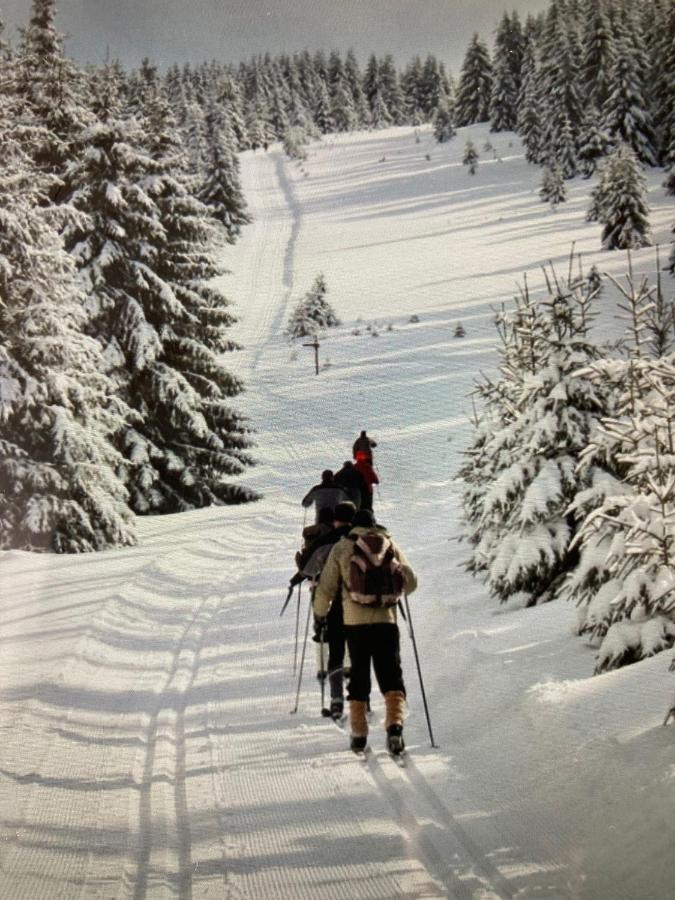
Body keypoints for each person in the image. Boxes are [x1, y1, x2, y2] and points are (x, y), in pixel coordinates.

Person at [313, 508, 417, 754]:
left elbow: (326, 587)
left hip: (355, 624)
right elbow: (412, 582)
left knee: (359, 676)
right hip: (387, 622)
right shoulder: (389, 543)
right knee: (391, 675)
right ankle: (395, 728)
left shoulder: (343, 547)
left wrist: (320, 614)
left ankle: (359, 734)